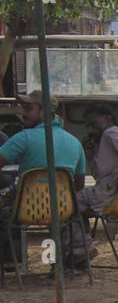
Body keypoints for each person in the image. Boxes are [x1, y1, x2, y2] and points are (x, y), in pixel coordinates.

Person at [0, 90, 89, 269]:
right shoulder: (74, 142)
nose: (23, 114)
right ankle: (68, 259)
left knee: (3, 212)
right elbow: (78, 185)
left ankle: (11, 261)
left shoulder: (24, 138)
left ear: (44, 111)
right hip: (63, 210)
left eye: (28, 108)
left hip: (26, 210)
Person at [78, 104, 118, 215]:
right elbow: (98, 177)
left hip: (111, 195)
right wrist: (91, 155)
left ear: (108, 119)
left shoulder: (110, 133)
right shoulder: (106, 141)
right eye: (88, 126)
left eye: (94, 124)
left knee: (69, 201)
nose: (91, 130)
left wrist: (114, 177)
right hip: (110, 193)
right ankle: (82, 231)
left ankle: (78, 232)